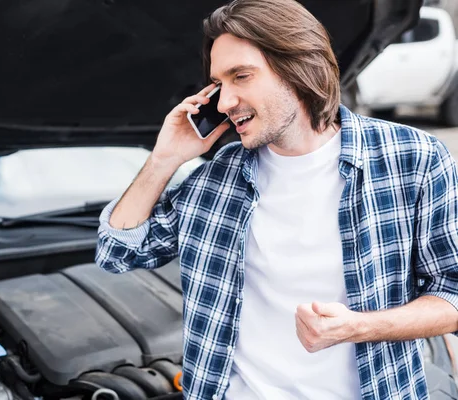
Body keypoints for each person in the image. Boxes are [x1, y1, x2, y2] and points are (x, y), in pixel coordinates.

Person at [95, 0, 458, 399]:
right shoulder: (219, 177)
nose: (226, 101)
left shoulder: (411, 159)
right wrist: (165, 159)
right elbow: (117, 254)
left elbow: (452, 291)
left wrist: (360, 327)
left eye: (241, 76)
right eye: (219, 84)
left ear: (299, 68)